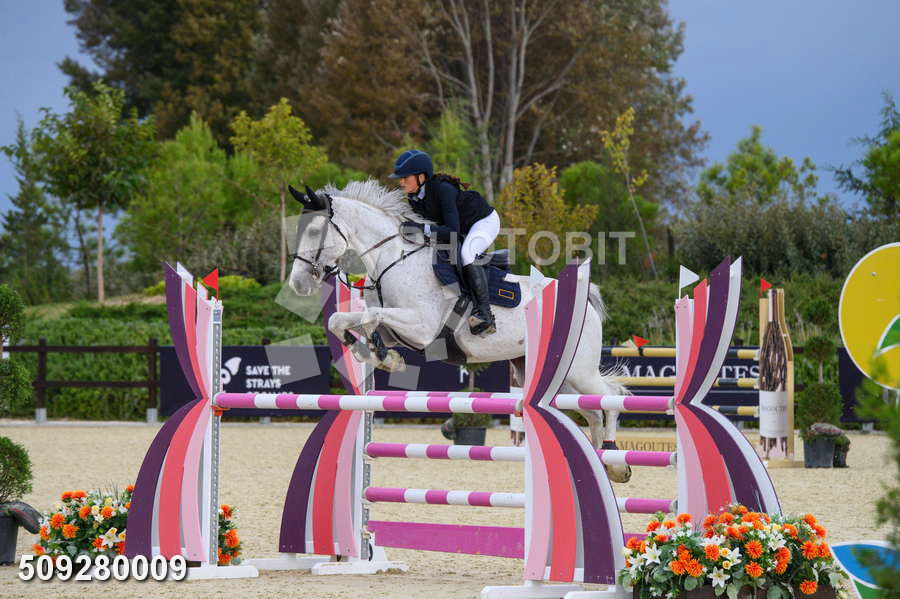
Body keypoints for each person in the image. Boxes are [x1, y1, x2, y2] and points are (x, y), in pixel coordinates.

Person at [389, 149, 499, 336]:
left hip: (483, 221)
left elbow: (452, 232)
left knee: (467, 253)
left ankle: (485, 313)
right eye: (401, 178)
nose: (401, 182)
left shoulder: (443, 190)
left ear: (421, 177)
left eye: (405, 178)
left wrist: (420, 229)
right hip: (461, 227)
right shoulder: (414, 198)